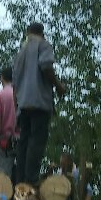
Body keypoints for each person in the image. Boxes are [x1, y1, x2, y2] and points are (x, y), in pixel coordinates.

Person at [12, 22, 66, 185]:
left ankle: (20, 180)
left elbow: (15, 83)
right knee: (37, 141)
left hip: (23, 104)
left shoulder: (21, 52)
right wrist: (58, 86)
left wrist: (16, 107)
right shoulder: (43, 45)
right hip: (39, 102)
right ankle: (31, 179)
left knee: (24, 142)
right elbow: (46, 66)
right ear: (42, 33)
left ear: (28, 33)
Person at [0, 66, 17, 178]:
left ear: (1, 78)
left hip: (6, 141)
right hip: (23, 140)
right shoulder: (21, 93)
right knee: (23, 175)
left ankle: (6, 195)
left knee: (5, 176)